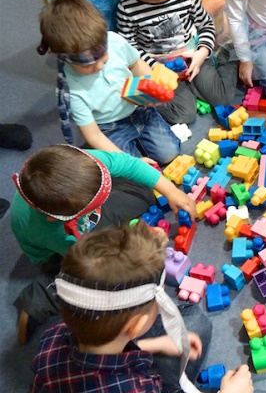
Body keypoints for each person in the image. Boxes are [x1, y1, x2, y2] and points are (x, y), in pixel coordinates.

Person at [28, 222, 266, 393]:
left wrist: (151, 345)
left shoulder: (53, 335)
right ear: (135, 325)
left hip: (134, 374)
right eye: (157, 300)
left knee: (193, 319)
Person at [11, 144, 196, 345]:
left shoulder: (78, 161)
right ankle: (41, 295)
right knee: (102, 284)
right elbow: (99, 263)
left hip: (76, 219)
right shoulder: (56, 232)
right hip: (62, 252)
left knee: (143, 193)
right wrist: (145, 248)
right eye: (94, 203)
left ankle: (102, 203)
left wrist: (170, 191)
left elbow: (126, 164)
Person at [39, 0, 181, 165]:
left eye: (103, 58)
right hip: (109, 127)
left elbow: (136, 64)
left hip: (139, 109)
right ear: (59, 56)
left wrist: (151, 86)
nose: (99, 66)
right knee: (131, 172)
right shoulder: (71, 91)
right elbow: (94, 136)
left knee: (169, 154)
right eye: (88, 65)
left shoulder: (114, 41)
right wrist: (133, 164)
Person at [117, 0, 238, 126]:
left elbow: (205, 24)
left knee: (221, 98)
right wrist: (155, 67)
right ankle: (187, 93)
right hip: (160, 68)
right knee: (184, 115)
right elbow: (130, 50)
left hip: (193, 58)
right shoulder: (127, 9)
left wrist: (201, 53)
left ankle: (228, 54)